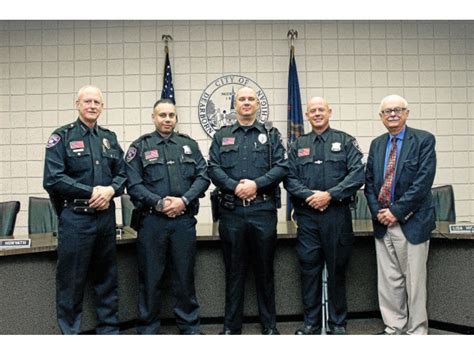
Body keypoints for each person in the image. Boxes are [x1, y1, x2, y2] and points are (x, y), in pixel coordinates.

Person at [43, 85, 127, 334]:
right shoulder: (62, 137)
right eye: (87, 101)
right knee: (72, 281)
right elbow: (53, 179)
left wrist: (110, 191)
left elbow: (123, 174)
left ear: (102, 107)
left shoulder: (109, 138)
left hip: (105, 218)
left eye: (97, 102)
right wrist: (91, 192)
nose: (92, 106)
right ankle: (71, 335)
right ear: (77, 104)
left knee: (107, 279)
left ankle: (108, 332)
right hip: (76, 218)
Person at [125, 99, 210, 335]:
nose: (167, 119)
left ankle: (189, 327)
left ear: (176, 118)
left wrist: (183, 200)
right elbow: (133, 184)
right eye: (162, 115)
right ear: (153, 117)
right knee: (151, 278)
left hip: (183, 222)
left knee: (184, 277)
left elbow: (203, 177)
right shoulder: (140, 147)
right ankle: (148, 329)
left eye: (171, 115)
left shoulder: (189, 145)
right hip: (153, 222)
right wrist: (160, 203)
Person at [208, 87, 288, 335]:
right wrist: (234, 187)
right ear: (235, 105)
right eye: (241, 99)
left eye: (250, 99)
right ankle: (231, 328)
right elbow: (213, 167)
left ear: (257, 104)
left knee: (265, 271)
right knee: (234, 271)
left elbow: (282, 167)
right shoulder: (222, 136)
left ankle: (269, 327)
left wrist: (256, 184)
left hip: (263, 211)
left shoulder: (270, 134)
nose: (246, 103)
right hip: (231, 212)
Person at [285, 97, 365, 335]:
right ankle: (311, 323)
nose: (317, 113)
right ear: (307, 116)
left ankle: (337, 324)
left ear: (329, 112)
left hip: (337, 216)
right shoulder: (297, 145)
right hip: (307, 218)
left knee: (337, 269)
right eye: (313, 111)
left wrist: (329, 195)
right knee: (308, 270)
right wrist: (311, 196)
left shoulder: (346, 141)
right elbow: (289, 178)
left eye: (321, 109)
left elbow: (357, 174)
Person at [365, 95, 436, 335]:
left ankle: (416, 331)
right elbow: (370, 183)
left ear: (407, 113)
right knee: (389, 280)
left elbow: (422, 183)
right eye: (387, 111)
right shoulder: (377, 144)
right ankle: (394, 326)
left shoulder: (423, 140)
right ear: (381, 117)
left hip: (412, 221)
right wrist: (379, 213)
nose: (392, 114)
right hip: (383, 222)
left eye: (397, 110)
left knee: (414, 282)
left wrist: (395, 212)